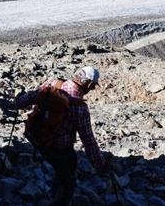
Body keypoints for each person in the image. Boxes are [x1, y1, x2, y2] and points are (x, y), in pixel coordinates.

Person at [16, 66, 108, 206]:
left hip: (37, 139)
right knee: (68, 183)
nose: (93, 89)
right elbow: (89, 142)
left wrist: (18, 100)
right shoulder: (79, 107)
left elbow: (27, 99)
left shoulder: (54, 84)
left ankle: (51, 190)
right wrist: (101, 165)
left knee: (63, 168)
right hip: (60, 149)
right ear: (87, 84)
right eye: (93, 86)